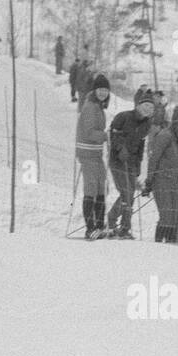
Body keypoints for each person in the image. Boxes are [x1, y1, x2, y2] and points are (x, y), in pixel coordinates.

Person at [106, 89, 155, 238]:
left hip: (132, 162)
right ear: (138, 105)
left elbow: (141, 144)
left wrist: (139, 164)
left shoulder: (147, 124)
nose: (148, 109)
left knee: (130, 195)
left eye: (151, 107)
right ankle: (114, 222)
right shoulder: (124, 117)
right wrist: (120, 148)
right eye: (146, 105)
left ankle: (123, 227)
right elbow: (112, 134)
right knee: (126, 192)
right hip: (118, 160)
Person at [143, 106, 178, 243]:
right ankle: (159, 244)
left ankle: (171, 242)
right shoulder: (165, 136)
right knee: (167, 214)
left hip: (174, 180)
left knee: (175, 214)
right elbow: (154, 158)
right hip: (162, 180)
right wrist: (149, 180)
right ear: (177, 123)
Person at [75, 73, 111, 239]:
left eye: (106, 90)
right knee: (91, 188)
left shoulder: (100, 107)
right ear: (95, 90)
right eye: (100, 89)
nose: (103, 93)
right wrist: (106, 136)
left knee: (100, 188)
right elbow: (89, 132)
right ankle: (90, 228)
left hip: (96, 154)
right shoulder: (90, 106)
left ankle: (99, 225)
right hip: (87, 153)